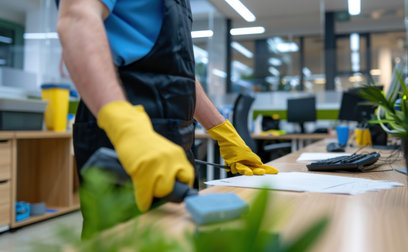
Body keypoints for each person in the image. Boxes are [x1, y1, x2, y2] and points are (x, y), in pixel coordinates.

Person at [57, 0, 278, 236]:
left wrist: (223, 132)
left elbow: (177, 74)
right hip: (123, 133)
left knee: (178, 236)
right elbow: (76, 18)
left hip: (175, 135)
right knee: (124, 240)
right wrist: (123, 125)